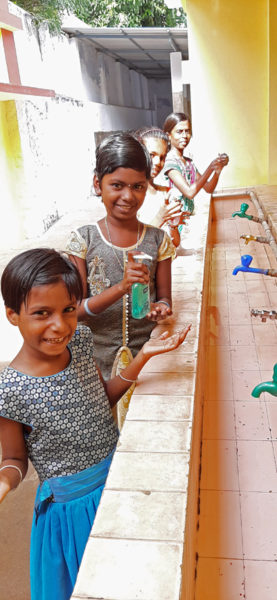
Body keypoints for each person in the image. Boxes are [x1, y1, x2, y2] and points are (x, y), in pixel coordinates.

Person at [0, 247, 191, 600]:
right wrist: (4, 482)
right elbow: (14, 459)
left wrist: (143, 356)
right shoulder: (9, 388)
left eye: (69, 310)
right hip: (70, 514)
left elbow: (102, 401)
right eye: (42, 313)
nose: (60, 326)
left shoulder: (83, 341)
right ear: (13, 315)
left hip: (117, 481)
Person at [65, 132, 176, 426]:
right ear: (97, 184)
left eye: (138, 186)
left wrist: (161, 308)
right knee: (103, 428)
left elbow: (165, 298)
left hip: (147, 360)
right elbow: (73, 311)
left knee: (142, 431)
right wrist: (120, 288)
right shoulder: (84, 241)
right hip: (95, 362)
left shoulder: (157, 240)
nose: (128, 196)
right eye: (117, 185)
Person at [163, 112, 229, 215]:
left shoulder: (188, 163)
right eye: (179, 132)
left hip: (185, 219)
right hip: (175, 222)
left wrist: (217, 171)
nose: (184, 136)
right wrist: (211, 167)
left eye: (187, 131)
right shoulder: (170, 163)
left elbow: (208, 188)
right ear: (169, 136)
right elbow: (190, 192)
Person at [136, 127, 189, 248]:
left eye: (162, 157)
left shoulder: (166, 193)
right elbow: (134, 246)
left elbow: (175, 243)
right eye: (152, 155)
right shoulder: (130, 198)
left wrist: (173, 224)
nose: (157, 162)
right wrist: (161, 217)